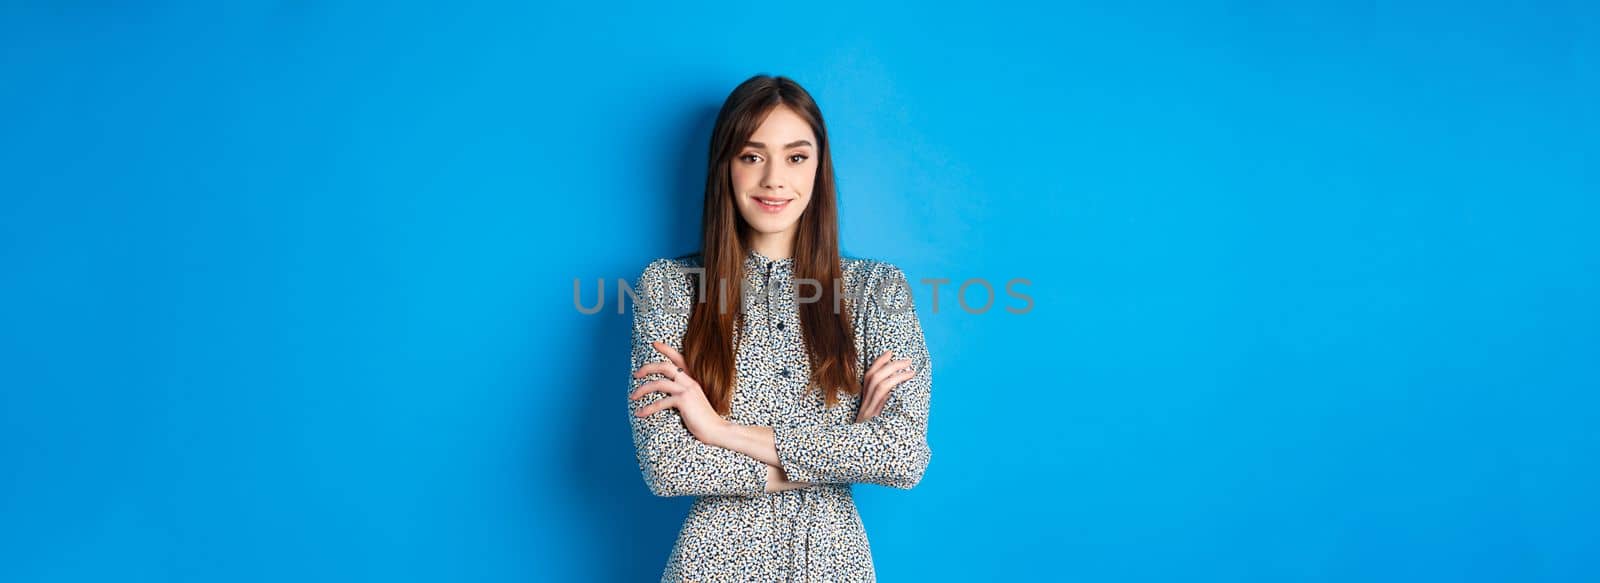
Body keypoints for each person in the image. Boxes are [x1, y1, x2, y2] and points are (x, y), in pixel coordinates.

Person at [626, 73, 933, 582]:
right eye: (751, 156)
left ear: (819, 166)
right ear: (725, 166)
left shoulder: (878, 289)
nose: (774, 179)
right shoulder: (668, 287)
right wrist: (849, 444)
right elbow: (667, 466)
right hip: (712, 564)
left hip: (833, 563)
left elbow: (902, 454)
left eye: (795, 156)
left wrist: (720, 431)